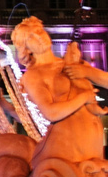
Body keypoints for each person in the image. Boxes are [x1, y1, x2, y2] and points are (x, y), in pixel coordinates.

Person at [11, 17, 106, 164]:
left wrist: (88, 72)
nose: (39, 37)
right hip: (67, 145)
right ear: (26, 48)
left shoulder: (71, 62)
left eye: (40, 31)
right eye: (31, 37)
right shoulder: (33, 76)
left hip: (93, 142)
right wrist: (84, 97)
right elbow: (51, 113)